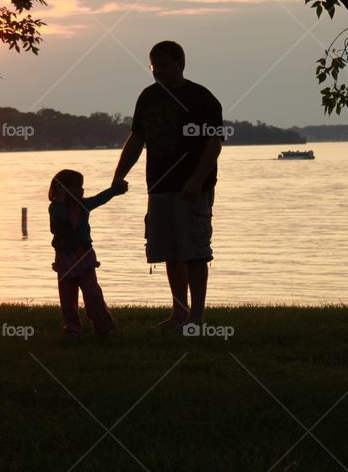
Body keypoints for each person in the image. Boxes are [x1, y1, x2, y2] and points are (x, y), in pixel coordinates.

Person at [112, 40, 224, 329]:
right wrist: (119, 174)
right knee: (169, 251)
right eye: (154, 66)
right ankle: (179, 313)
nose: (158, 71)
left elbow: (214, 143)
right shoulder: (148, 98)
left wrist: (197, 180)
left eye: (164, 65)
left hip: (193, 188)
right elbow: (137, 138)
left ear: (180, 64)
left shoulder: (202, 98)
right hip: (159, 186)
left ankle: (197, 317)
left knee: (195, 251)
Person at [48, 169, 127, 336]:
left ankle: (103, 322)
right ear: (63, 189)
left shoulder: (83, 204)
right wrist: (61, 200)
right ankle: (72, 329)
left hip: (84, 255)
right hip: (65, 257)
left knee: (92, 293)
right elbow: (60, 219)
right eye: (78, 187)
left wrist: (114, 190)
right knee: (67, 298)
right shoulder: (55, 208)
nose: (82, 190)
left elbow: (100, 199)